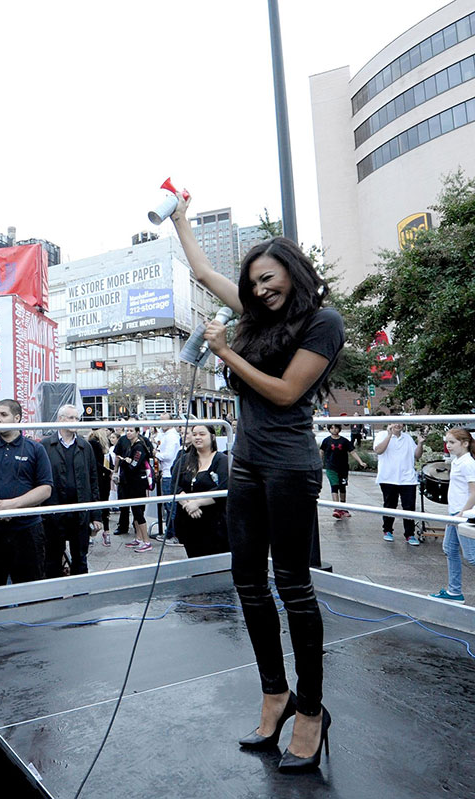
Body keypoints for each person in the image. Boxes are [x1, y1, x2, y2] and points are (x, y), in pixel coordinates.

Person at [172, 190, 344, 772]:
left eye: (269, 280)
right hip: (245, 463)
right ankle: (276, 694)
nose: (261, 290)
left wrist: (225, 352)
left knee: (293, 585)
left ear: (292, 274)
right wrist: (180, 219)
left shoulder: (322, 322)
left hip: (290, 466)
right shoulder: (251, 316)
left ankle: (313, 711)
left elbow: (285, 392)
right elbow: (201, 270)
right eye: (253, 284)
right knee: (247, 580)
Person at [0, 399, 53, 587]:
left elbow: (45, 488)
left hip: (26, 529)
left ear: (17, 418)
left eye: (3, 415)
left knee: (30, 588)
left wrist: (11, 506)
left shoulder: (35, 448)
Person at [40, 405, 101, 577]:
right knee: (52, 558)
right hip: (53, 512)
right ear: (60, 419)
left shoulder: (85, 446)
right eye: (71, 418)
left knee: (80, 557)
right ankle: (54, 596)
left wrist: (96, 515)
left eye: (77, 418)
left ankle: (80, 595)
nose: (75, 422)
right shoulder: (46, 445)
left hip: (79, 512)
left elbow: (93, 480)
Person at [429, 428, 475, 601]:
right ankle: (454, 591)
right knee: (449, 549)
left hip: (463, 515)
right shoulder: (457, 461)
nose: (448, 446)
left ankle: (455, 591)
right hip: (454, 513)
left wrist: (461, 515)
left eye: (452, 442)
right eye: (447, 442)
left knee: (471, 557)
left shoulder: (467, 463)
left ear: (465, 443)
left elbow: (474, 492)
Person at [173, 425, 230, 558]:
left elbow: (224, 487)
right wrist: (188, 505)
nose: (197, 437)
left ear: (212, 437)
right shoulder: (184, 460)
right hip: (189, 523)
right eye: (194, 434)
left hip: (215, 525)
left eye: (202, 434)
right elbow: (175, 486)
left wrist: (198, 503)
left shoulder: (222, 460)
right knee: (194, 562)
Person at [373, 422, 425, 545]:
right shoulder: (381, 435)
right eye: (394, 423)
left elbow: (417, 455)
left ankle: (410, 534)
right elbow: (378, 450)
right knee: (390, 505)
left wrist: (420, 443)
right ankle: (387, 530)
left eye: (400, 423)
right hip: (388, 478)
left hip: (407, 478)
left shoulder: (407, 438)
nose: (398, 425)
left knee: (409, 507)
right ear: (389, 424)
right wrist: (389, 436)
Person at [116, 426, 154, 552]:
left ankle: (146, 541)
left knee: (138, 512)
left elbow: (134, 464)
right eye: (127, 431)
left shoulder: (139, 447)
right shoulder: (132, 446)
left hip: (138, 483)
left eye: (131, 431)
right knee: (135, 511)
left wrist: (125, 461)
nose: (128, 433)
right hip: (131, 483)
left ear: (138, 432)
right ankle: (139, 538)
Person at [319, 424, 362, 518]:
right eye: (332, 428)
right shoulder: (326, 441)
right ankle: (337, 508)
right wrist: (319, 462)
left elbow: (352, 452)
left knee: (342, 487)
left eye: (336, 428)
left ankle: (343, 507)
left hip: (343, 468)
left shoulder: (344, 441)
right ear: (329, 429)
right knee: (334, 486)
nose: (334, 430)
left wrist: (360, 461)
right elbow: (321, 451)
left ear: (339, 429)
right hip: (331, 467)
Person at [156, 414, 182, 536]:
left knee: (170, 505)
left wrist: (156, 453)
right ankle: (170, 530)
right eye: (161, 420)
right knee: (168, 505)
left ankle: (172, 532)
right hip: (165, 472)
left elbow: (168, 456)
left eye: (165, 420)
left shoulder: (171, 436)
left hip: (169, 473)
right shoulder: (164, 434)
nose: (163, 423)